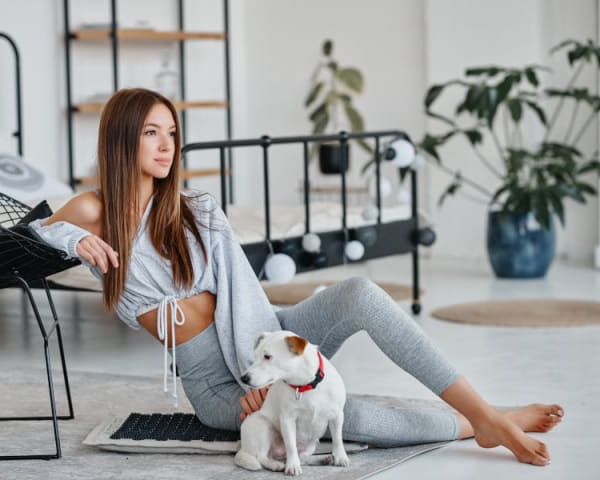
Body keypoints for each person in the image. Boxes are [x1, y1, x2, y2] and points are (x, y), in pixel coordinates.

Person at [31, 88, 563, 467]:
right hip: (220, 391)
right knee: (338, 414)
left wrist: (271, 370)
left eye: (172, 132)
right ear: (123, 138)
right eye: (152, 132)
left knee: (358, 293)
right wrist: (73, 239)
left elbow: (243, 295)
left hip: (262, 340)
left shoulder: (197, 209)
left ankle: (484, 412)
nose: (168, 145)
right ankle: (484, 424)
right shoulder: (91, 211)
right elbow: (29, 233)